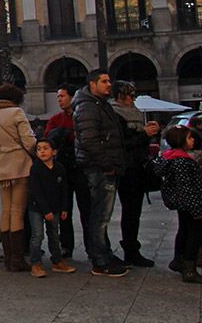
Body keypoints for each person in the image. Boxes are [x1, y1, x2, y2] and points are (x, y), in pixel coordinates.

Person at [74, 68, 129, 277]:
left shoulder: (98, 104)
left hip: (102, 166)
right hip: (98, 168)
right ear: (92, 84)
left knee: (101, 215)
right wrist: (107, 163)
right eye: (104, 81)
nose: (109, 84)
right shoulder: (88, 106)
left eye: (109, 81)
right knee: (100, 216)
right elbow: (89, 140)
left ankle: (104, 253)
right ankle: (100, 260)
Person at [0, 83, 36, 272]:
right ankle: (17, 259)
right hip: (19, 166)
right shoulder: (16, 113)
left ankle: (7, 257)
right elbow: (29, 142)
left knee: (5, 210)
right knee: (17, 211)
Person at [110, 80, 160, 267]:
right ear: (120, 96)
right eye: (130, 95)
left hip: (139, 166)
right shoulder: (114, 114)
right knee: (129, 210)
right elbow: (122, 143)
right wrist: (144, 134)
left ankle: (133, 248)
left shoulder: (136, 113)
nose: (133, 98)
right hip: (126, 168)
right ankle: (130, 249)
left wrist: (149, 133)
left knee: (134, 211)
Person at [154, 125, 202, 283]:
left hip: (183, 203)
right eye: (190, 138)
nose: (193, 140)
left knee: (184, 230)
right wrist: (196, 207)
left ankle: (179, 260)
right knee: (194, 233)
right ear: (181, 140)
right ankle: (189, 268)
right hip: (190, 203)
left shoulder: (171, 156)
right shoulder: (182, 160)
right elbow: (186, 187)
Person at [44, 83, 91, 260]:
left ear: (73, 97)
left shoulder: (82, 116)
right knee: (65, 210)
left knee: (87, 209)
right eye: (58, 96)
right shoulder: (56, 119)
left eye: (62, 96)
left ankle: (91, 245)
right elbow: (49, 139)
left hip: (80, 167)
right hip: (62, 169)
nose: (59, 99)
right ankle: (66, 245)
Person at [28, 139, 76, 277]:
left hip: (54, 207)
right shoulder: (36, 168)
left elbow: (64, 190)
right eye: (39, 149)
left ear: (54, 151)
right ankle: (36, 263)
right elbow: (36, 191)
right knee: (37, 235)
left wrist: (64, 208)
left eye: (45, 148)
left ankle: (57, 260)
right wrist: (45, 210)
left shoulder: (59, 168)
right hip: (37, 208)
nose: (42, 151)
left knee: (54, 234)